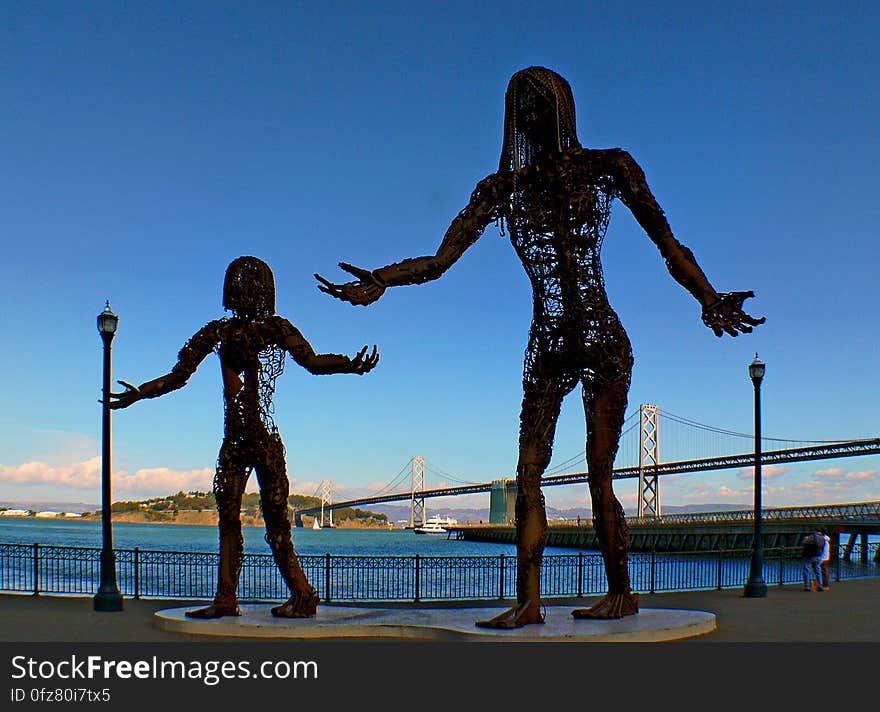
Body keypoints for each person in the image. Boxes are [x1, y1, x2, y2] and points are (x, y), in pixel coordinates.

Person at [315, 66, 764, 627]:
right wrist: (382, 278)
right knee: (528, 475)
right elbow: (437, 262)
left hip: (602, 339)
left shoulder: (609, 167)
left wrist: (707, 296)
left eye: (539, 104)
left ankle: (621, 592)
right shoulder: (501, 189)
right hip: (548, 345)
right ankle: (529, 601)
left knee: (599, 473)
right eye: (520, 108)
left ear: (564, 107)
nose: (531, 116)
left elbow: (666, 241)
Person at [110, 256, 379, 619]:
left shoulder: (240, 330)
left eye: (246, 286)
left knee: (263, 523)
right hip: (246, 440)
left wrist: (349, 364)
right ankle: (239, 598)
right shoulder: (248, 330)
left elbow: (310, 362)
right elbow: (311, 362)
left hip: (250, 440)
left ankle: (293, 596)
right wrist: (141, 392)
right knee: (251, 522)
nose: (243, 292)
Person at [801, 528, 824, 592]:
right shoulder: (822, 538)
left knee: (806, 570)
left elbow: (803, 543)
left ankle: (807, 586)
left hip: (808, 556)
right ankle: (820, 585)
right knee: (818, 571)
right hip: (817, 556)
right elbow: (822, 547)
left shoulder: (808, 538)